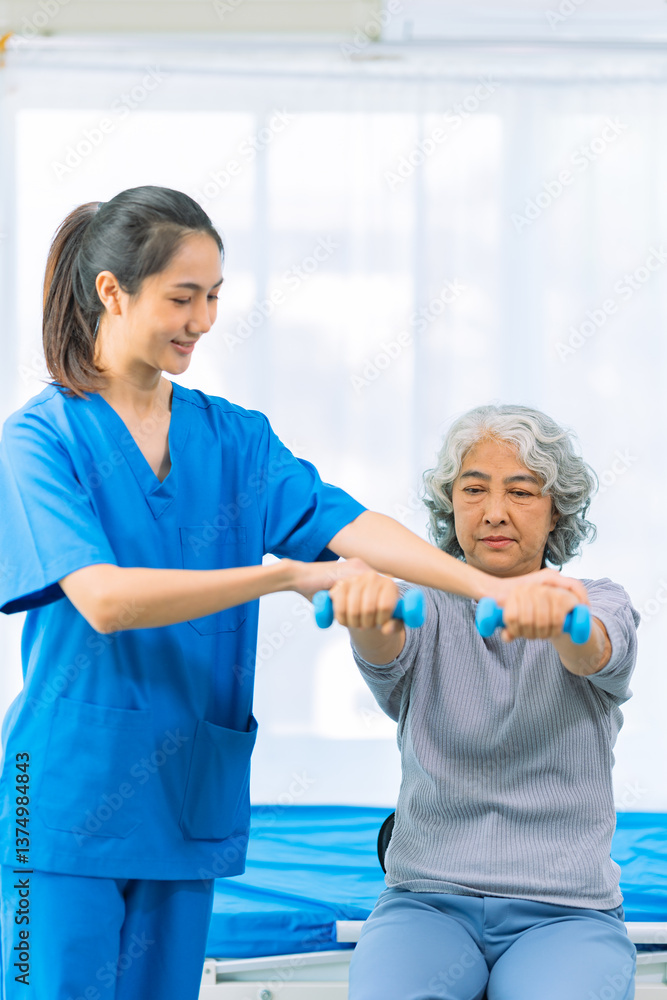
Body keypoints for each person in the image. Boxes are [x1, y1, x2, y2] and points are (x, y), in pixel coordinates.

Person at [0, 188, 587, 1000]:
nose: (202, 320)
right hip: (64, 796)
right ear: (112, 291)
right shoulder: (42, 438)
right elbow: (102, 598)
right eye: (182, 297)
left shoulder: (231, 437)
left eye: (213, 298)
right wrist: (282, 574)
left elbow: (350, 527)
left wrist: (487, 586)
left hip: (185, 790)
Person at [327, 404, 639, 1000]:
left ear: (556, 512)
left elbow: (593, 650)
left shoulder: (599, 602)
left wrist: (558, 618)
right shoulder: (420, 601)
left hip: (566, 912)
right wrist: (365, 608)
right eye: (474, 489)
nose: (494, 511)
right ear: (452, 505)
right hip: (426, 904)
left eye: (521, 491)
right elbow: (385, 637)